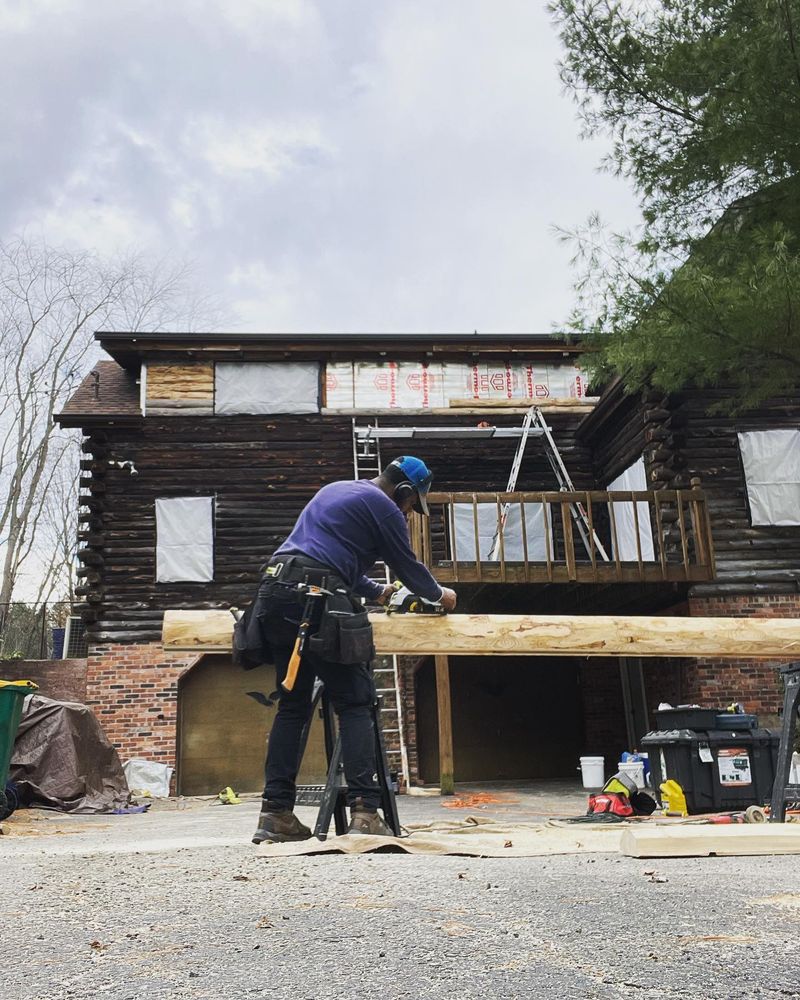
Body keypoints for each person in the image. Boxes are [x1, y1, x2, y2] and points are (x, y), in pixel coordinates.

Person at [252, 456, 457, 845]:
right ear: (405, 492)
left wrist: (378, 592)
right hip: (320, 599)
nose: (409, 513)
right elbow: (408, 566)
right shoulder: (385, 507)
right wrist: (442, 596)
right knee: (356, 702)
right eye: (412, 505)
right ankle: (365, 811)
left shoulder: (337, 490)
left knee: (293, 705)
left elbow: (328, 557)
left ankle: (275, 813)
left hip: (276, 590)